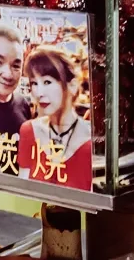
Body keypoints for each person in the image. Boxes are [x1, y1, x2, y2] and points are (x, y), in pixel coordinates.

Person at [17, 46, 91, 189]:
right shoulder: (29, 131)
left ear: (72, 85)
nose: (39, 93)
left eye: (47, 82)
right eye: (34, 83)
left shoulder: (90, 141)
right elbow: (22, 193)